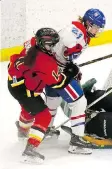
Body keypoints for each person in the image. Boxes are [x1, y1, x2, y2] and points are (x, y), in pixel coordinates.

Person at [8, 27, 91, 164]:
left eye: (54, 44)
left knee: (29, 108)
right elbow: (59, 83)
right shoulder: (44, 62)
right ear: (41, 43)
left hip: (14, 82)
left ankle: (22, 130)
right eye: (50, 45)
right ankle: (30, 149)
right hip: (25, 88)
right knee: (43, 115)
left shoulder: (33, 42)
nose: (52, 48)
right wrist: (70, 72)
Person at [44, 8, 106, 138]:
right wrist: (68, 65)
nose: (97, 31)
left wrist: (70, 65)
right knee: (79, 101)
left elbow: (62, 52)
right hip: (56, 71)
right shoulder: (77, 34)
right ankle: (77, 140)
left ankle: (45, 128)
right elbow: (66, 48)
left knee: (53, 99)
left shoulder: (79, 30)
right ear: (88, 23)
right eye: (95, 27)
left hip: (50, 69)